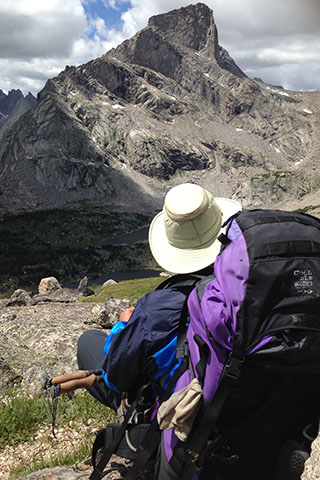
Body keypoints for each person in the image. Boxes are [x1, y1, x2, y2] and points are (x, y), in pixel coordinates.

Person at [76, 183, 242, 413]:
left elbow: (116, 377)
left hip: (184, 411)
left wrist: (122, 326)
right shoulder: (245, 286)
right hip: (242, 404)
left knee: (88, 341)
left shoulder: (156, 308)